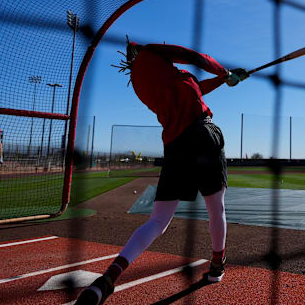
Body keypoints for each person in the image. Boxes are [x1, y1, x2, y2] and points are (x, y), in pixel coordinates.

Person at [76, 39, 249, 305]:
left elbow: (196, 89)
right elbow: (196, 57)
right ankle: (217, 266)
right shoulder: (152, 51)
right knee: (216, 208)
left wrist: (225, 81)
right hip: (203, 134)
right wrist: (224, 73)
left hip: (175, 144)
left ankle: (107, 279)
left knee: (158, 221)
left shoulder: (139, 82)